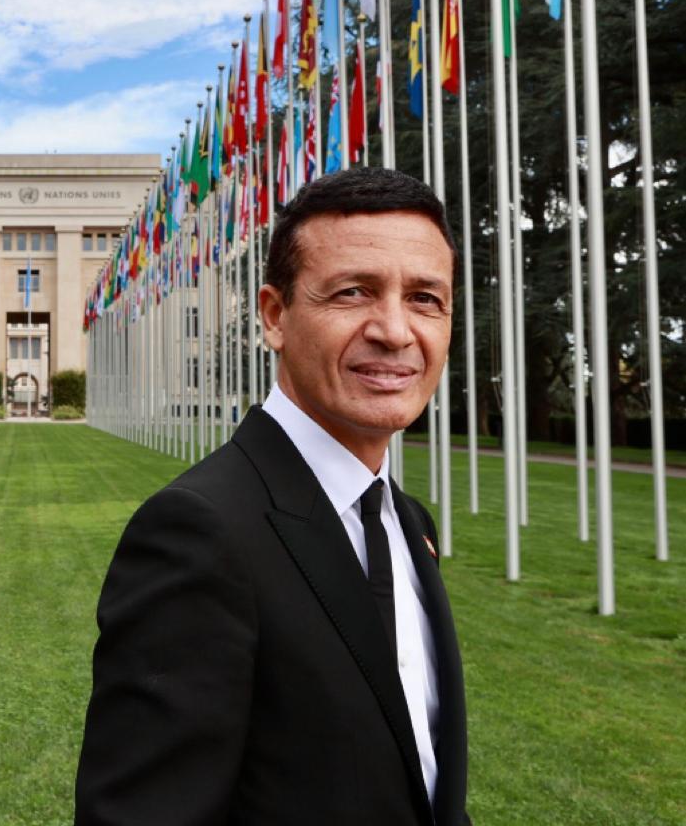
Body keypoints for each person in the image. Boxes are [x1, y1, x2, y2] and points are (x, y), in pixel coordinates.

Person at [75, 166, 471, 826]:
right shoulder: (199, 534)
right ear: (274, 315)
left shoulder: (406, 521)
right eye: (353, 292)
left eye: (425, 299)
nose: (396, 331)